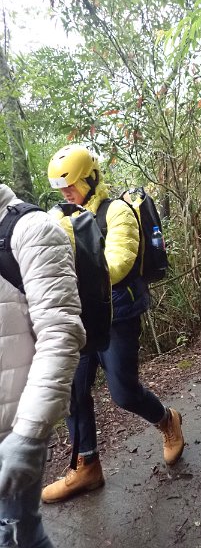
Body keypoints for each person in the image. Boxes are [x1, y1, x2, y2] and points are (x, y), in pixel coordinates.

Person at [42, 145, 184, 503]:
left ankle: (167, 420)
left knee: (123, 393)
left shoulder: (117, 211)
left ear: (90, 178)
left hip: (116, 315)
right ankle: (87, 465)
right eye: (61, 188)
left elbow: (117, 265)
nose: (66, 192)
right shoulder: (60, 216)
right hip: (77, 316)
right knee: (73, 391)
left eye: (71, 185)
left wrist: (65, 273)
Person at [0, 183, 84, 548]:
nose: (66, 192)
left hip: (13, 427)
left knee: (19, 535)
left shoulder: (31, 229)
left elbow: (60, 331)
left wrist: (29, 436)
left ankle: (89, 464)